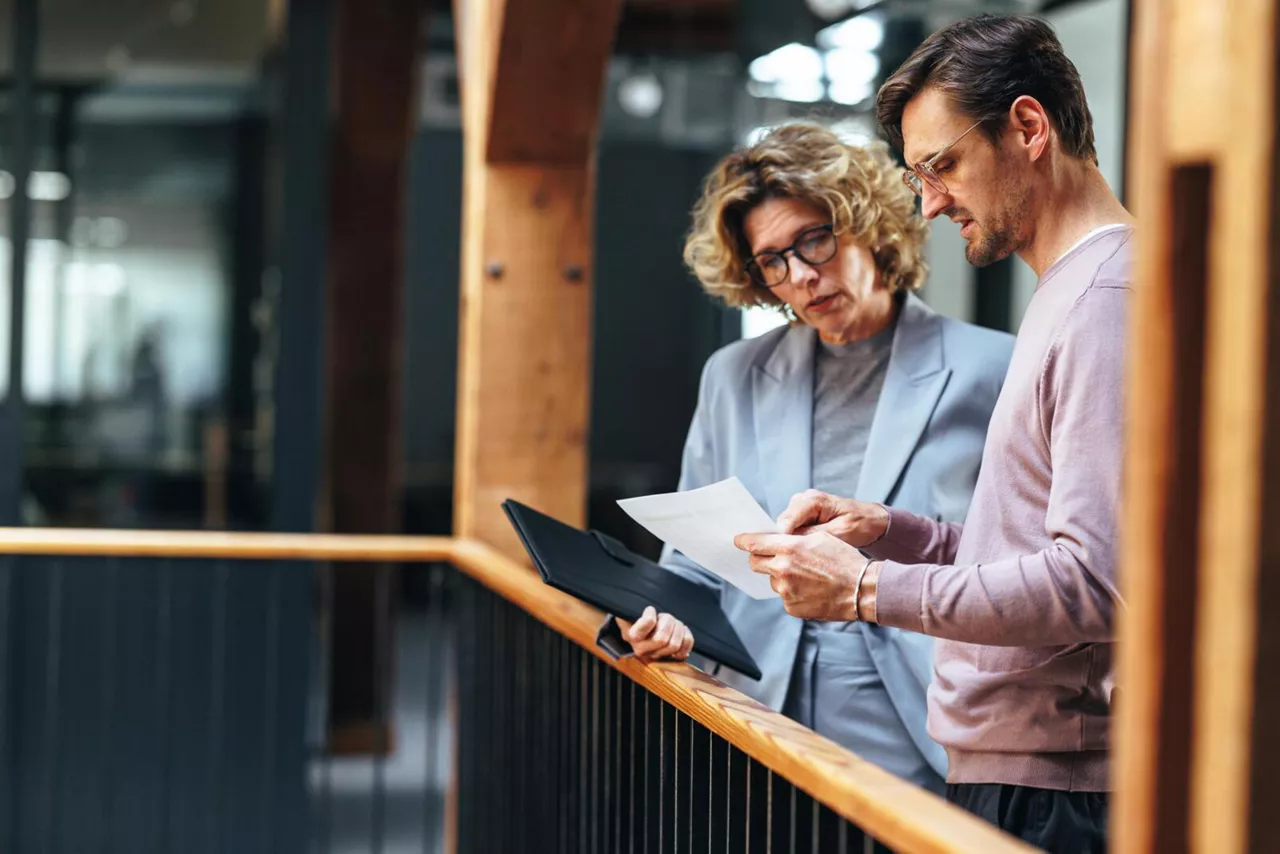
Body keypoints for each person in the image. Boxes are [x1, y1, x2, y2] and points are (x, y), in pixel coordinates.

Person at [733, 15, 1134, 853]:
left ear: (1028, 128)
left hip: (1054, 784)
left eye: (942, 165)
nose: (931, 201)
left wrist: (863, 591)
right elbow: (1031, 544)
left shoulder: (1105, 301)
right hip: (1014, 767)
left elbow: (1097, 585)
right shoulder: (1070, 292)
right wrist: (897, 535)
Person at [615, 121, 1014, 794]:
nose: (800, 275)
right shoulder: (734, 375)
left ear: (868, 222)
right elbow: (694, 560)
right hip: (758, 707)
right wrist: (663, 618)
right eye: (773, 260)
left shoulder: (993, 368)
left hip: (923, 717)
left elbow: (1010, 560)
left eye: (813, 240)